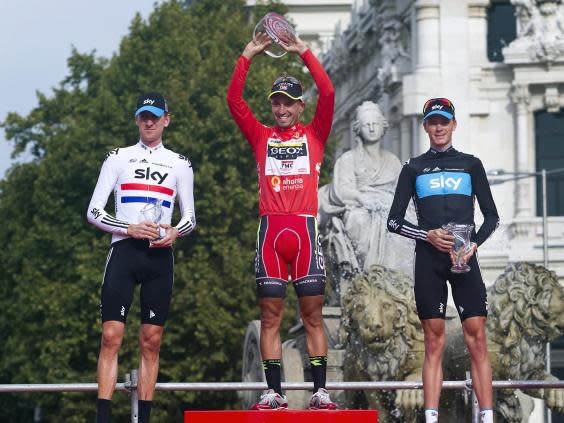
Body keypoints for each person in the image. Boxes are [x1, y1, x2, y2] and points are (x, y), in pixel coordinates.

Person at [226, 32, 337, 410]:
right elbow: (233, 101)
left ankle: (320, 390)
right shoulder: (261, 135)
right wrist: (248, 54)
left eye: (289, 103)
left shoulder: (315, 134)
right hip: (271, 233)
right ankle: (274, 390)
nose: (282, 109)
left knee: (312, 317)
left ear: (300, 107)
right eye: (276, 103)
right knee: (270, 318)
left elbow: (329, 92)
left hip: (304, 231)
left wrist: (302, 50)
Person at [387, 98, 499, 423]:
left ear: (453, 125)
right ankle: (432, 418)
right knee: (433, 339)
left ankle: (487, 416)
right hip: (429, 261)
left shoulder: (471, 164)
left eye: (444, 121)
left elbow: (492, 216)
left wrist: (475, 244)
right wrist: (428, 236)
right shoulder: (413, 168)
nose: (438, 127)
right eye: (433, 122)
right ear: (425, 126)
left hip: (465, 258)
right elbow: (393, 221)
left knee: (477, 336)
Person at [87, 92, 196, 423]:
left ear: (166, 119)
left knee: (151, 341)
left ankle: (144, 419)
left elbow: (190, 217)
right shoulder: (118, 158)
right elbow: (93, 211)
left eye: (154, 116)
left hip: (159, 258)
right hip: (123, 251)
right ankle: (103, 416)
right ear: (136, 120)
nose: (148, 121)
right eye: (142, 116)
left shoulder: (180, 163)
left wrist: (176, 231)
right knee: (111, 336)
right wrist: (128, 228)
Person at [318, 101, 414, 276]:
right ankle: (367, 275)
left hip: (386, 208)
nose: (371, 128)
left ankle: (394, 276)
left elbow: (402, 192)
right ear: (358, 128)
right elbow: (342, 190)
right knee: (359, 220)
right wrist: (362, 199)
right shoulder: (348, 159)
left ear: (382, 127)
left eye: (375, 124)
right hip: (359, 207)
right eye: (367, 124)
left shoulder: (392, 161)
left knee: (402, 226)